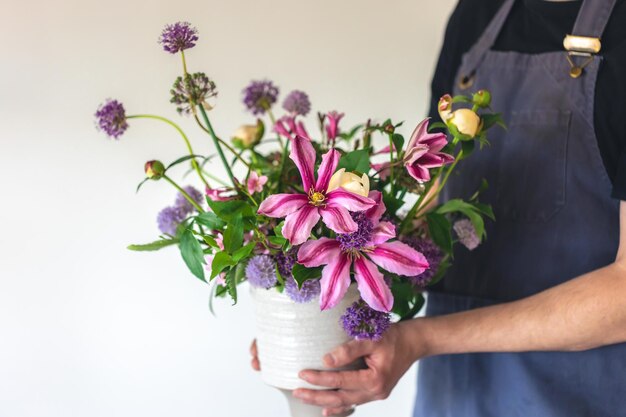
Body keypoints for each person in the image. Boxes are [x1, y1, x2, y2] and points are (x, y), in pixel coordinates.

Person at [251, 0, 626, 415]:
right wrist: (321, 324)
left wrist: (421, 338)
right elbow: (433, 204)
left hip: (580, 393)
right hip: (456, 392)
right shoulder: (477, 15)